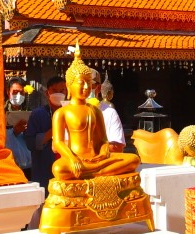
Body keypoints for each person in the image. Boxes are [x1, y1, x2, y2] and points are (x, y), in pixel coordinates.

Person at [51, 49, 139, 180]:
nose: (86, 87)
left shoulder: (95, 110)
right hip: (76, 159)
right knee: (58, 169)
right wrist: (72, 158)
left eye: (89, 83)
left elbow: (103, 140)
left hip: (97, 159)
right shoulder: (61, 112)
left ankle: (93, 172)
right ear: (69, 86)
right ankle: (98, 171)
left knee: (133, 159)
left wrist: (103, 152)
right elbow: (58, 143)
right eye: (82, 83)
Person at [25, 76, 67, 190]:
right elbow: (30, 143)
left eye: (62, 90)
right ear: (47, 93)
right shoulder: (38, 114)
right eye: (54, 91)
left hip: (67, 169)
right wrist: (52, 132)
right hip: (44, 172)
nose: (59, 93)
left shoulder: (71, 113)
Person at [99, 78, 127, 153]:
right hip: (79, 157)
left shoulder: (110, 111)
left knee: (133, 159)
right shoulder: (109, 106)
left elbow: (117, 145)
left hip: (104, 152)